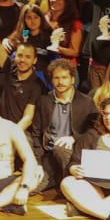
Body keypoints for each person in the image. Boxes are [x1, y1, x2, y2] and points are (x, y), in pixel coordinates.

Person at [35, 60, 98, 191]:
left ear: (72, 79)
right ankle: (58, 177)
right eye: (56, 78)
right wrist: (38, 163)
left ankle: (72, 188)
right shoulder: (44, 101)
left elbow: (93, 131)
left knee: (61, 149)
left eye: (64, 77)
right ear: (51, 80)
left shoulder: (86, 102)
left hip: (75, 154)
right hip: (49, 155)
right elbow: (36, 134)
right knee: (33, 186)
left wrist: (74, 138)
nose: (60, 82)